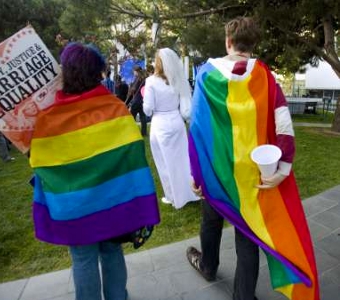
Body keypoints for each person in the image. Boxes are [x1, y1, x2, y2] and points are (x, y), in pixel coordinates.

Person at [187, 17, 319, 300]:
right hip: (254, 175)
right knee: (247, 236)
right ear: (252, 44)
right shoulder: (265, 77)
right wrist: (282, 169)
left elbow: (197, 127)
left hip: (218, 172)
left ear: (228, 41)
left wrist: (197, 175)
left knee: (210, 222)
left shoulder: (207, 75)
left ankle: (208, 266)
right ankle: (243, 296)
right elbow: (284, 125)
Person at [29, 42, 160, 300]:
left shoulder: (49, 118)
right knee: (112, 252)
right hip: (113, 202)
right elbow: (133, 154)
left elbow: (40, 162)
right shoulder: (114, 108)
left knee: (83, 259)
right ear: (97, 73)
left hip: (74, 206)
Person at [142, 48, 199, 209]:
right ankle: (190, 191)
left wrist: (145, 95)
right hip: (177, 122)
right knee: (182, 160)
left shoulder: (151, 82)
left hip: (160, 124)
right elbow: (185, 106)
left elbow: (148, 110)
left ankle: (173, 196)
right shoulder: (178, 80)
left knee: (165, 162)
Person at [126, 65, 147, 136]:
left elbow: (134, 89)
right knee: (143, 117)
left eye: (134, 71)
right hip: (142, 100)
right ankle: (144, 133)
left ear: (136, 71)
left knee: (132, 117)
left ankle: (132, 132)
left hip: (136, 100)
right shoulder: (144, 79)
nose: (133, 72)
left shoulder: (138, 79)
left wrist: (130, 87)